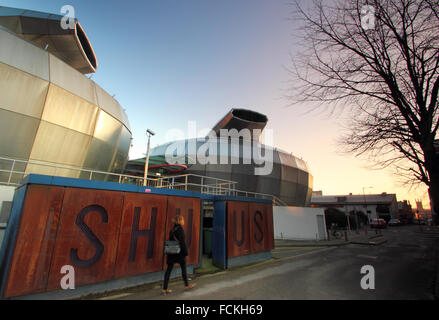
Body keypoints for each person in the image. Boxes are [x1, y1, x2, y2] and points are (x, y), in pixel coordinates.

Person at [162, 215, 196, 295]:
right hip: (179, 252)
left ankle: (164, 289)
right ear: (180, 221)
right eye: (182, 220)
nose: (183, 221)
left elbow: (171, 240)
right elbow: (182, 242)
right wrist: (185, 252)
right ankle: (186, 285)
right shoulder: (180, 229)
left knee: (168, 270)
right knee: (183, 268)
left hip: (171, 252)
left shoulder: (172, 229)